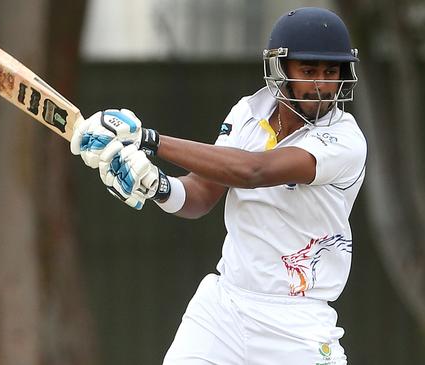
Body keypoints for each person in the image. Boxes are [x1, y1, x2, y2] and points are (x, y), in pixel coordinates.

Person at [71, 7, 366, 365]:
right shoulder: (248, 112)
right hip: (223, 309)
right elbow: (200, 195)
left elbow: (253, 171)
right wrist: (156, 186)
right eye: (308, 71)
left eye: (330, 72)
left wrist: (147, 139)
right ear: (280, 70)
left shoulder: (345, 139)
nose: (321, 86)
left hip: (296, 323)